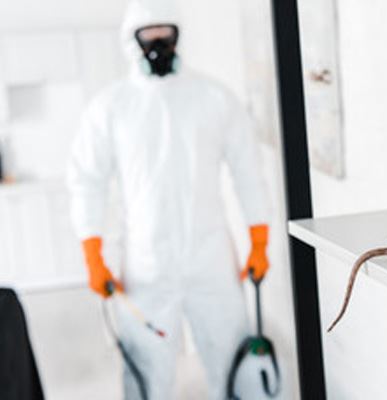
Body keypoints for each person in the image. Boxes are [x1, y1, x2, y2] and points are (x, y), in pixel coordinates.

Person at [67, 0, 270, 398]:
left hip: (211, 258)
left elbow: (249, 172)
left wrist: (259, 241)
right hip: (145, 265)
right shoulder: (110, 107)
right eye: (149, 35)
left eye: (166, 33)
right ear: (131, 41)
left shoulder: (214, 97)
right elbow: (86, 181)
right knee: (145, 371)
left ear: (179, 35)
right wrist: (93, 254)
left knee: (234, 361)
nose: (158, 43)